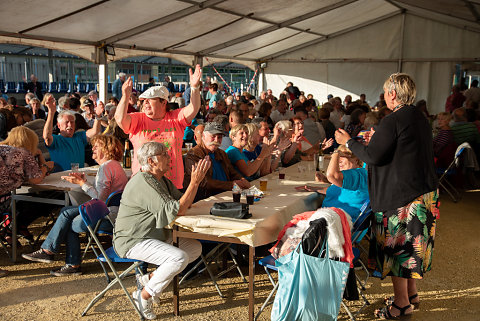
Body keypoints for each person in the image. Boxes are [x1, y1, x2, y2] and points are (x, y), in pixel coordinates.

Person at [335, 73, 439, 319]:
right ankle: (411, 294)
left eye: (384, 92)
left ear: (392, 94)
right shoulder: (419, 117)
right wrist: (377, 140)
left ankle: (401, 305)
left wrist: (349, 142)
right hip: (423, 193)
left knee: (398, 251)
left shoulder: (393, 119)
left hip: (403, 197)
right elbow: (400, 149)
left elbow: (372, 157)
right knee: (411, 249)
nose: (384, 97)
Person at [113, 141, 210, 320]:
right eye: (164, 154)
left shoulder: (159, 179)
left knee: (194, 249)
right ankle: (144, 297)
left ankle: (149, 280)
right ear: (151, 161)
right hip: (133, 240)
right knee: (178, 257)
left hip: (154, 235)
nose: (169, 157)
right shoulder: (144, 182)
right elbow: (178, 209)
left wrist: (196, 183)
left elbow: (182, 202)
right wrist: (194, 182)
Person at [22, 135, 128, 276]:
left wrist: (82, 184)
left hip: (106, 217)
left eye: (97, 146)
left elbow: (99, 200)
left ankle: (61, 258)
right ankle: (56, 255)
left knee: (68, 220)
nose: (93, 149)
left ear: (106, 149)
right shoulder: (114, 165)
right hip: (114, 214)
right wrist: (84, 182)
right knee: (66, 212)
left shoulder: (106, 167)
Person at [115, 65, 202, 189]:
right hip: (143, 185)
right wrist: (125, 96)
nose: (145, 102)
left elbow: (193, 108)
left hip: (172, 185)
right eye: (143, 100)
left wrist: (194, 87)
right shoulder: (138, 119)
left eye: (150, 99)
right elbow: (119, 119)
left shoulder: (175, 118)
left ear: (163, 102)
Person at [184, 122, 250, 200]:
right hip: (207, 198)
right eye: (213, 136)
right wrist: (230, 185)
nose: (216, 140)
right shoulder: (193, 155)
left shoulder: (221, 153)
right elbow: (203, 182)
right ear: (203, 136)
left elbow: (232, 172)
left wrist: (242, 180)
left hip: (227, 194)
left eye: (219, 137)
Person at [43, 95, 102, 171]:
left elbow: (95, 131)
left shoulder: (79, 136)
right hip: (60, 178)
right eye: (67, 122)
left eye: (72, 122)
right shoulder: (56, 139)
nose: (70, 125)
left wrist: (98, 115)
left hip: (78, 176)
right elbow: (47, 136)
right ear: (59, 125)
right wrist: (51, 112)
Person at [311, 145, 368, 221]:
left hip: (340, 223)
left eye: (342, 156)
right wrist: (323, 183)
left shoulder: (358, 174)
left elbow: (332, 175)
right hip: (333, 219)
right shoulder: (351, 175)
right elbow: (347, 193)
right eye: (338, 157)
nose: (338, 160)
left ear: (356, 159)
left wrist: (336, 152)